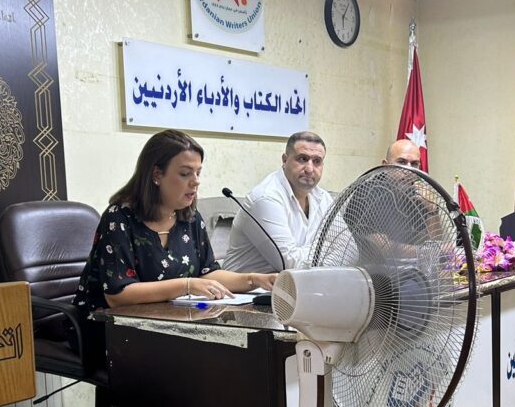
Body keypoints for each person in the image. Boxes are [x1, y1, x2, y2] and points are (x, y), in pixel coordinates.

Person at [73, 129, 277, 315]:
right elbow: (118, 295)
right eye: (185, 173)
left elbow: (207, 273)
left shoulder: (190, 217)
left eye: (198, 172)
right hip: (108, 327)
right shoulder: (119, 218)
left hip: (168, 322)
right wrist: (186, 285)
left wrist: (254, 279)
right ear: (157, 174)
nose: (196, 181)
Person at [222, 131, 334, 273]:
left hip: (301, 283)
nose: (309, 169)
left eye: (317, 161)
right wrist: (328, 248)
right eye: (302, 159)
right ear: (285, 160)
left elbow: (350, 250)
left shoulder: (323, 198)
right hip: (248, 286)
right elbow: (290, 264)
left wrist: (314, 259)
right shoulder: (265, 198)